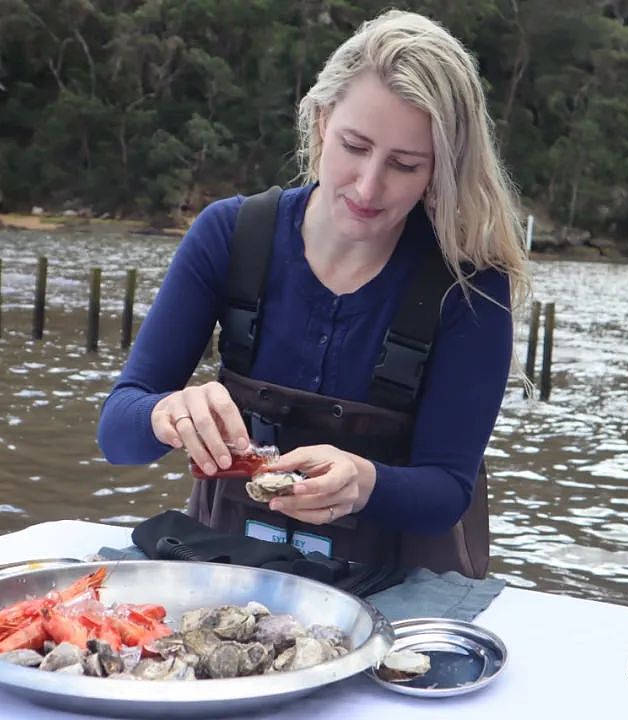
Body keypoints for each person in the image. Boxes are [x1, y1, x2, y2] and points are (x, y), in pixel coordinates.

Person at [98, 10, 529, 578]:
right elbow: (117, 433)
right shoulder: (228, 235)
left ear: (440, 170)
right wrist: (164, 413)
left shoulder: (471, 287)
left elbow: (447, 489)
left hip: (396, 596)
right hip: (231, 573)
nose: (369, 186)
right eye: (355, 145)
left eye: (404, 164)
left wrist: (366, 482)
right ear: (322, 121)